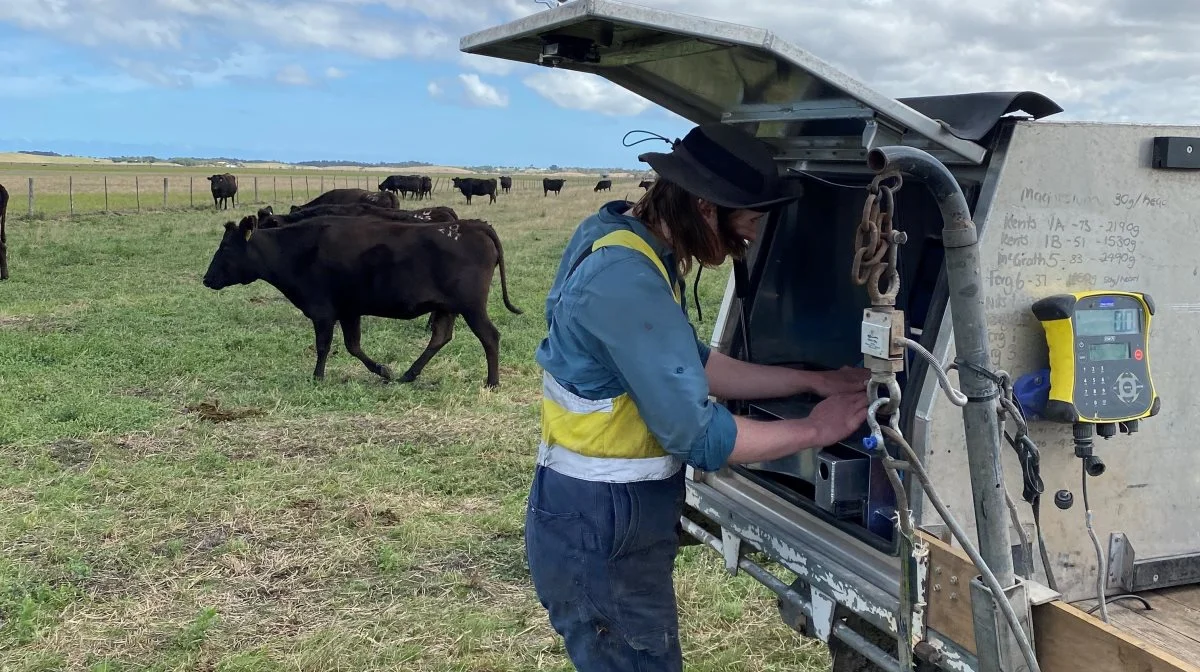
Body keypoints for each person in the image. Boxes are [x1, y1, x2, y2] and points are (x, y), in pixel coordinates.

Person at [526, 122, 871, 671]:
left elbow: (691, 363)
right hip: (602, 522)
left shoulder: (618, 237)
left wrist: (811, 382)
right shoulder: (626, 280)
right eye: (752, 220)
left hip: (591, 514)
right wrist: (815, 430)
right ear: (707, 207)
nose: (753, 238)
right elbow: (696, 434)